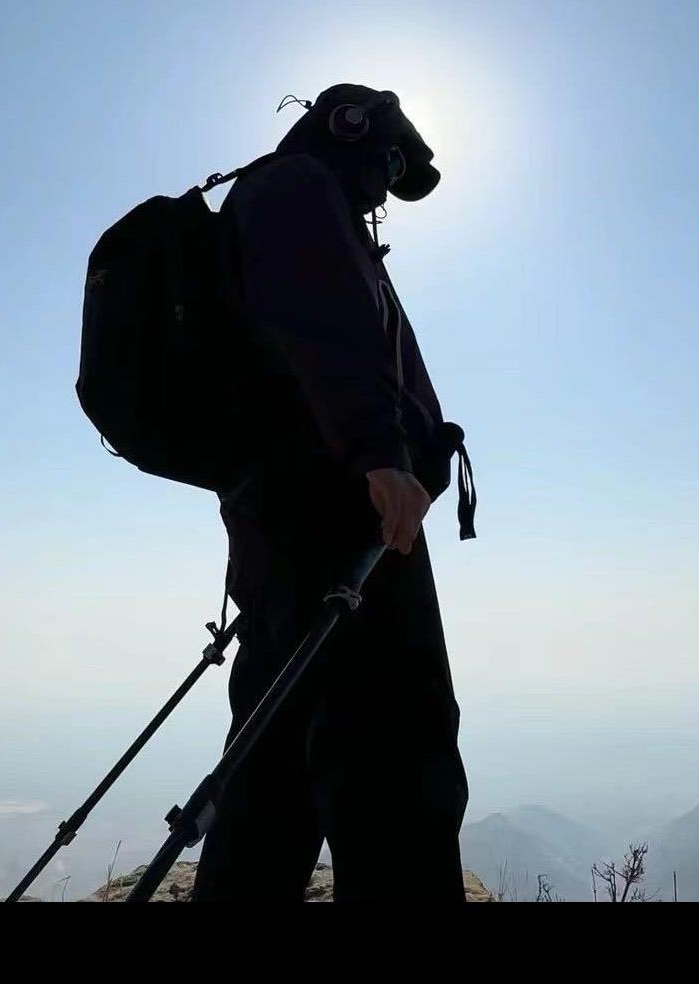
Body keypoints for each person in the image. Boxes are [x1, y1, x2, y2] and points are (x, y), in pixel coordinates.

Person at [191, 84, 475, 902]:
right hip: (348, 516)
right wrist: (382, 456)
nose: (386, 187)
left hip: (288, 515)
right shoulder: (301, 189)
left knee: (276, 752)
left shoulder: (275, 200)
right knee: (399, 749)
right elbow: (331, 325)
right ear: (352, 129)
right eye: (387, 161)